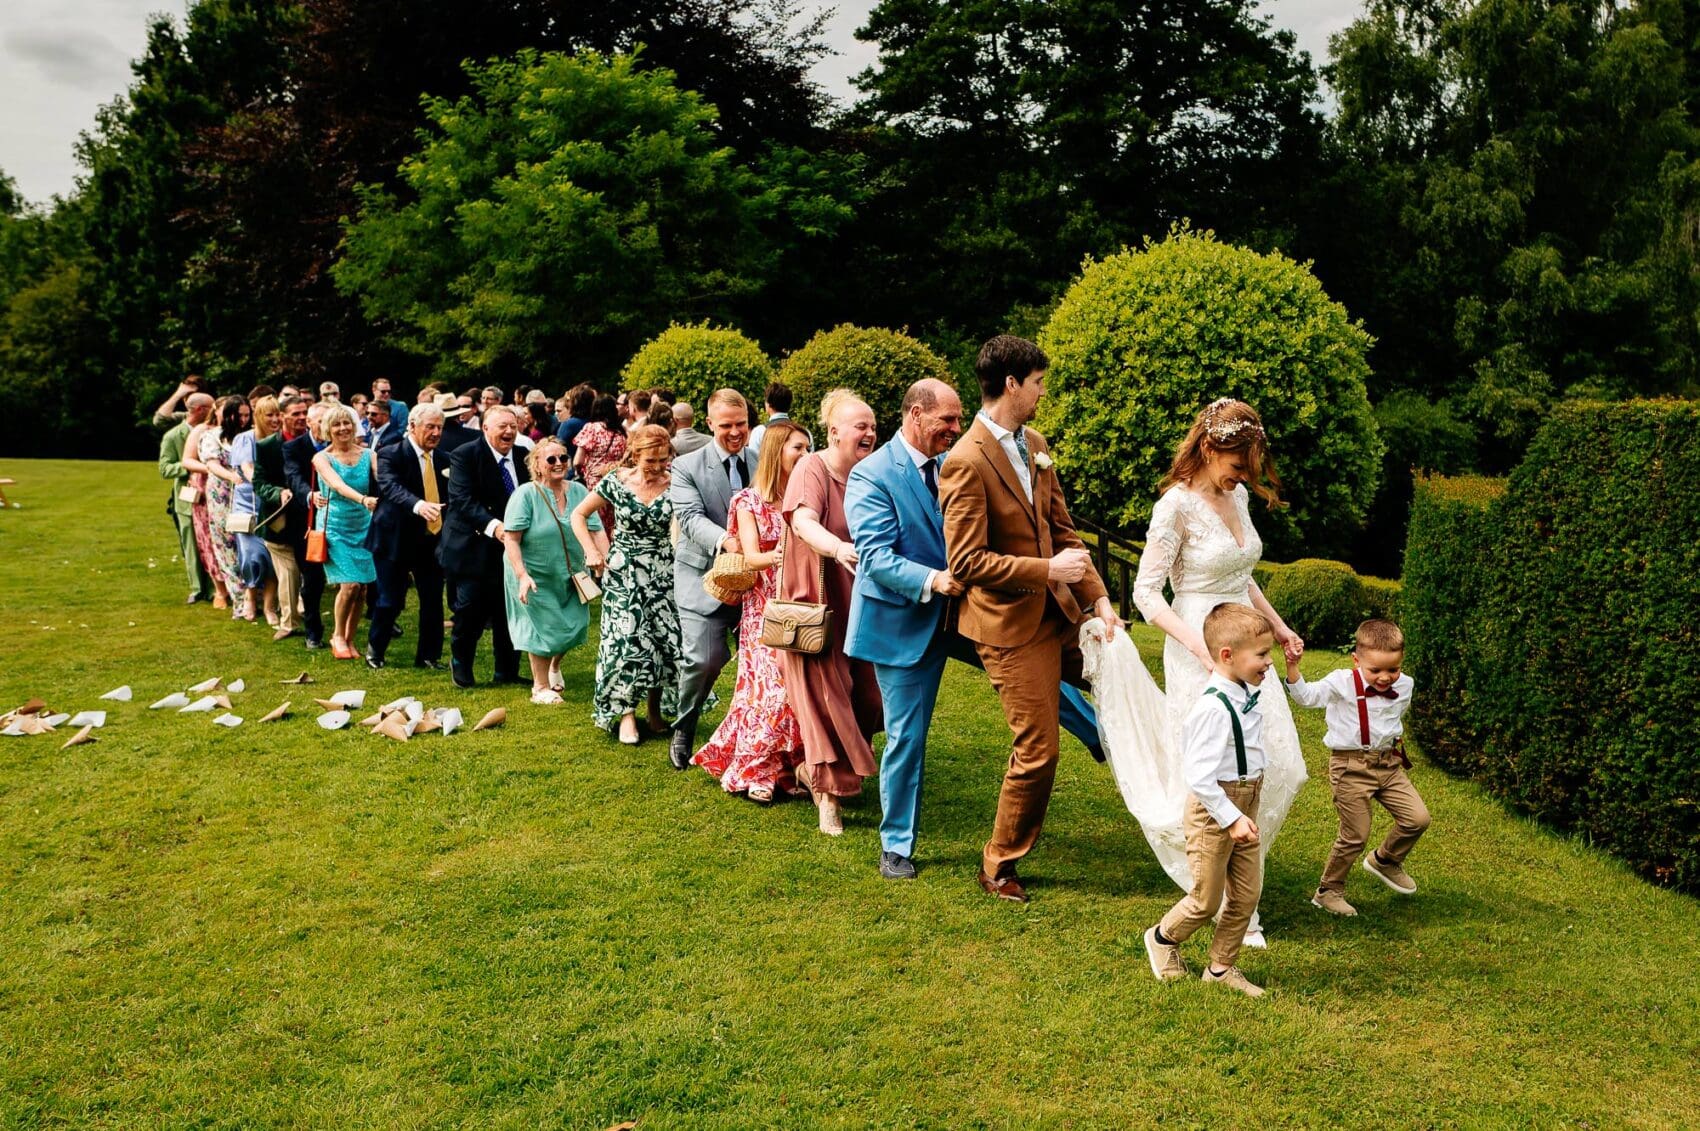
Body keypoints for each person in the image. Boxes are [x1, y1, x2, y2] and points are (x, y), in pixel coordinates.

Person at [845, 378, 1107, 879]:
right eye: (945, 419)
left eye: (959, 418)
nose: (955, 427)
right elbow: (875, 558)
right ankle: (896, 843)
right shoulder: (871, 475)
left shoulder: (958, 460)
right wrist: (934, 580)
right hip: (908, 617)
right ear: (915, 415)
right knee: (907, 736)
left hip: (970, 608)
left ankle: (1095, 733)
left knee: (1034, 671)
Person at [940, 335, 1122, 903]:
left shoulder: (1035, 443)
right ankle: (999, 863)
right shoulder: (965, 461)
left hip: (1062, 613)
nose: (1045, 392)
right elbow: (965, 563)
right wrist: (1046, 570)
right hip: (1009, 628)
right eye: (1039, 382)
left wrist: (1099, 600)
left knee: (1127, 681)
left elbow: (1065, 531)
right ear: (1012, 384)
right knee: (1040, 750)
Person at [1130, 396, 1308, 946]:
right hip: (1200, 653)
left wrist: (1277, 628)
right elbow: (1145, 594)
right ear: (1209, 447)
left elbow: (1243, 574)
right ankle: (1232, 900)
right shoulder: (1175, 507)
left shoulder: (1238, 499)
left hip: (1248, 648)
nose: (1242, 479)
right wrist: (1202, 652)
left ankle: (1240, 875)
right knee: (1219, 775)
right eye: (1236, 466)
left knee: (1284, 768)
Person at [1144, 604, 1277, 998]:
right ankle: (1163, 939)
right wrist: (1231, 817)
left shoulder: (1245, 694)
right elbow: (1199, 776)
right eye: (1262, 654)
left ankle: (1220, 967)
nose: (1268, 662)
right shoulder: (1212, 708)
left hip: (1244, 801)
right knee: (1206, 899)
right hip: (1214, 810)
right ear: (1227, 656)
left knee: (1247, 893)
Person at [782, 390, 885, 836]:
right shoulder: (812, 468)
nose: (869, 433)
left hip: (862, 602)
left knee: (870, 698)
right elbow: (802, 521)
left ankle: (811, 771)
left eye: (873, 426)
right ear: (834, 431)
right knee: (828, 699)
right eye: (860, 425)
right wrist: (838, 547)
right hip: (816, 603)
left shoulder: (870, 475)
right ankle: (827, 797)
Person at [691, 420, 811, 802]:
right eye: (798, 449)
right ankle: (756, 768)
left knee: (797, 691)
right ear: (778, 452)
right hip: (763, 609)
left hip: (800, 602)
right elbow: (748, 554)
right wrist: (780, 554)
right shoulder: (748, 500)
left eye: (808, 449)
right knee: (768, 691)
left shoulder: (805, 497)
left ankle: (791, 767)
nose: (806, 456)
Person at [1285, 618, 1427, 915]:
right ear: (1356, 659)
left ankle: (1385, 860)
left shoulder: (1406, 685)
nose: (1385, 678)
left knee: (1417, 819)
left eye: (1393, 669)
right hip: (1351, 767)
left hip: (1388, 765)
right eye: (1375, 670)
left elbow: (1393, 718)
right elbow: (1308, 698)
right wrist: (1293, 667)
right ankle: (1328, 890)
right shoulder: (1341, 682)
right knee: (1355, 834)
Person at [667, 389, 758, 768]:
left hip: (757, 581)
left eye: (741, 424)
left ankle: (756, 737)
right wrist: (727, 541)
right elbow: (689, 518)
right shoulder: (686, 466)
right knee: (706, 660)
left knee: (767, 662)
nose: (735, 433)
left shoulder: (763, 459)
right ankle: (684, 726)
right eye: (726, 426)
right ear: (709, 424)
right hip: (703, 577)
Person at [574, 425, 680, 743]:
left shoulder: (676, 484)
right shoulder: (616, 483)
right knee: (626, 642)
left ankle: (656, 712)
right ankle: (626, 715)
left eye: (664, 458)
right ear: (635, 454)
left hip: (664, 573)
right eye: (651, 460)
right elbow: (579, 515)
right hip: (625, 573)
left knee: (661, 642)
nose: (659, 466)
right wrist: (592, 551)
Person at [504, 437, 603, 702]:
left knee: (576, 624)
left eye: (563, 458)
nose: (559, 463)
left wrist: (606, 559)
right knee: (541, 627)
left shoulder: (580, 492)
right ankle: (540, 687)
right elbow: (511, 538)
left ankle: (554, 665)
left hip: (570, 571)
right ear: (537, 464)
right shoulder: (525, 494)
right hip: (532, 573)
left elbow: (596, 529)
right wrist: (522, 575)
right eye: (551, 459)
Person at [440, 404, 530, 687]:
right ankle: (461, 667)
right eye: (502, 426)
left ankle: (507, 670)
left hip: (513, 547)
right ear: (485, 428)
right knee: (470, 611)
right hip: (473, 545)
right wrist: (496, 527)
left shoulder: (523, 456)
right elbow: (462, 501)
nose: (508, 431)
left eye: (513, 426)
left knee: (510, 609)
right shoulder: (465, 455)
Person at [364, 404, 451, 670]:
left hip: (430, 540)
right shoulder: (390, 453)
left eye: (440, 428)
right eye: (430, 427)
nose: (436, 433)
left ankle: (428, 656)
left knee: (433, 599)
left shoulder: (444, 459)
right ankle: (375, 649)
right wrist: (418, 505)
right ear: (412, 426)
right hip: (394, 538)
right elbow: (390, 487)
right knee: (390, 599)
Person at [311, 403, 379, 659]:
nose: (343, 428)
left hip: (363, 526)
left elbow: (383, 479)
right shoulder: (322, 458)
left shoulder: (369, 454)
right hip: (335, 528)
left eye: (347, 423)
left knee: (362, 587)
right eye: (337, 424)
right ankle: (337, 636)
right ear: (328, 429)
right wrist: (363, 499)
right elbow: (337, 485)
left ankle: (350, 639)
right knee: (349, 584)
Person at [252, 396, 308, 640]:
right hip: (279, 518)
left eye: (304, 412)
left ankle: (308, 615)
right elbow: (258, 482)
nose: (302, 418)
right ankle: (289, 622)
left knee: (310, 571)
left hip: (309, 516)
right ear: (283, 416)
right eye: (295, 414)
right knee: (287, 571)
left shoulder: (313, 442)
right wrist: (277, 492)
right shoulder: (266, 446)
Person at [159, 392, 216, 604]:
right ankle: (197, 588)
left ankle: (216, 587)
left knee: (212, 542)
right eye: (211, 408)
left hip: (213, 494)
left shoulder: (213, 432)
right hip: (187, 497)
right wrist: (188, 465)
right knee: (191, 544)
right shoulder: (173, 436)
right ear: (200, 410)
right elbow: (164, 469)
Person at [232, 396, 281, 625]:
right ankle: (250, 596)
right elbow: (247, 468)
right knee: (252, 556)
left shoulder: (281, 440)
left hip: (274, 506)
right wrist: (263, 484)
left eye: (277, 414)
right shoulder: (244, 439)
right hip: (247, 506)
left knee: (273, 557)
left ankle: (270, 606)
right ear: (258, 416)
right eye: (269, 415)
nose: (275, 419)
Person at [284, 401, 330, 648]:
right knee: (312, 580)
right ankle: (314, 631)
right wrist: (308, 495)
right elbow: (293, 476)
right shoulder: (294, 448)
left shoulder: (342, 447)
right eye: (320, 420)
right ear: (309, 423)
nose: (325, 425)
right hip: (308, 521)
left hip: (341, 519)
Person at [199, 397, 247, 610]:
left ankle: (254, 595)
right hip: (222, 496)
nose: (244, 420)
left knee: (248, 543)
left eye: (248, 415)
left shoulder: (249, 436)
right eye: (240, 415)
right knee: (226, 545)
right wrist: (233, 476)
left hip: (247, 496)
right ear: (229, 416)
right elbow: (212, 464)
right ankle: (238, 598)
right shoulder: (211, 437)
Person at [180, 400, 229, 609]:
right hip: (206, 488)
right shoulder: (202, 430)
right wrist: (212, 468)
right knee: (209, 539)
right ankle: (220, 590)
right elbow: (187, 460)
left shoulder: (238, 433)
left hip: (232, 489)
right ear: (216, 412)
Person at [573, 394, 627, 493]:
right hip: (616, 479)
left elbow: (577, 461)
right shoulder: (622, 432)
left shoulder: (592, 428)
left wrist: (580, 472)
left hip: (595, 479)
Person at [750, 381, 807, 453]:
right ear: (789, 404)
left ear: (768, 404)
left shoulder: (759, 432)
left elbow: (753, 461)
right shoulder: (804, 432)